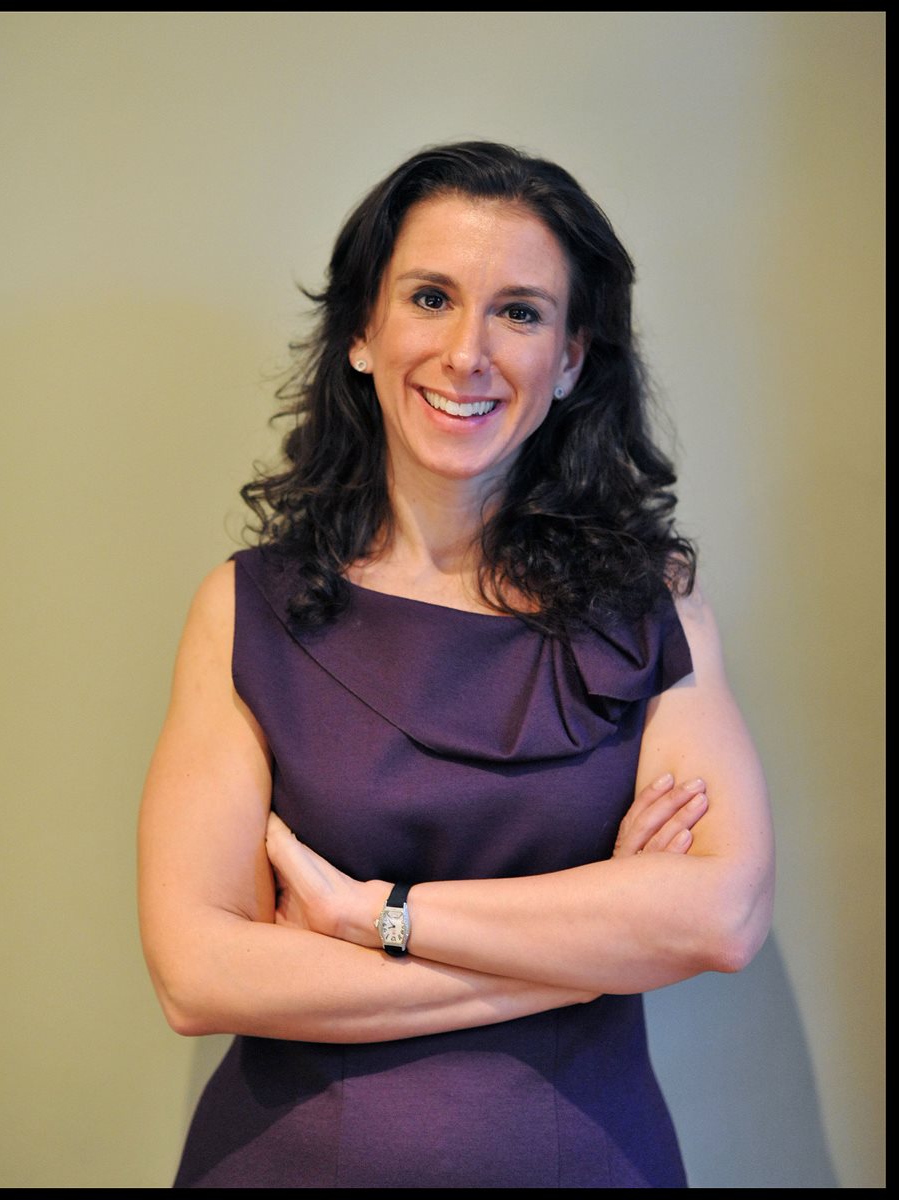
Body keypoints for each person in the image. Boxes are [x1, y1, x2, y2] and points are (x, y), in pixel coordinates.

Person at [138, 141, 773, 1189]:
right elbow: (196, 975)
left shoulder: (653, 605)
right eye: (430, 297)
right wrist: (589, 944)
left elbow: (722, 917)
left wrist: (368, 917)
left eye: (519, 312)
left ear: (571, 357)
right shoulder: (245, 609)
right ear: (361, 330)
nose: (467, 351)